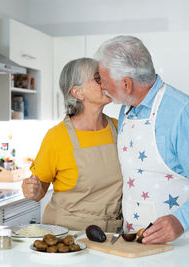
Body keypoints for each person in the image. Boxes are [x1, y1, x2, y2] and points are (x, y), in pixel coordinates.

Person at [94, 35, 189, 243]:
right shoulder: (126, 111)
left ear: (126, 84)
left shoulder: (183, 113)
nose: (102, 87)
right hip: (138, 245)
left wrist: (180, 221)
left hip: (185, 243)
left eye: (104, 81)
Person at [21, 58, 123, 232]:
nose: (107, 82)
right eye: (98, 78)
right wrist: (33, 189)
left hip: (111, 232)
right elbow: (40, 191)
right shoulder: (57, 137)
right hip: (67, 234)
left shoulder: (119, 128)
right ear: (77, 92)